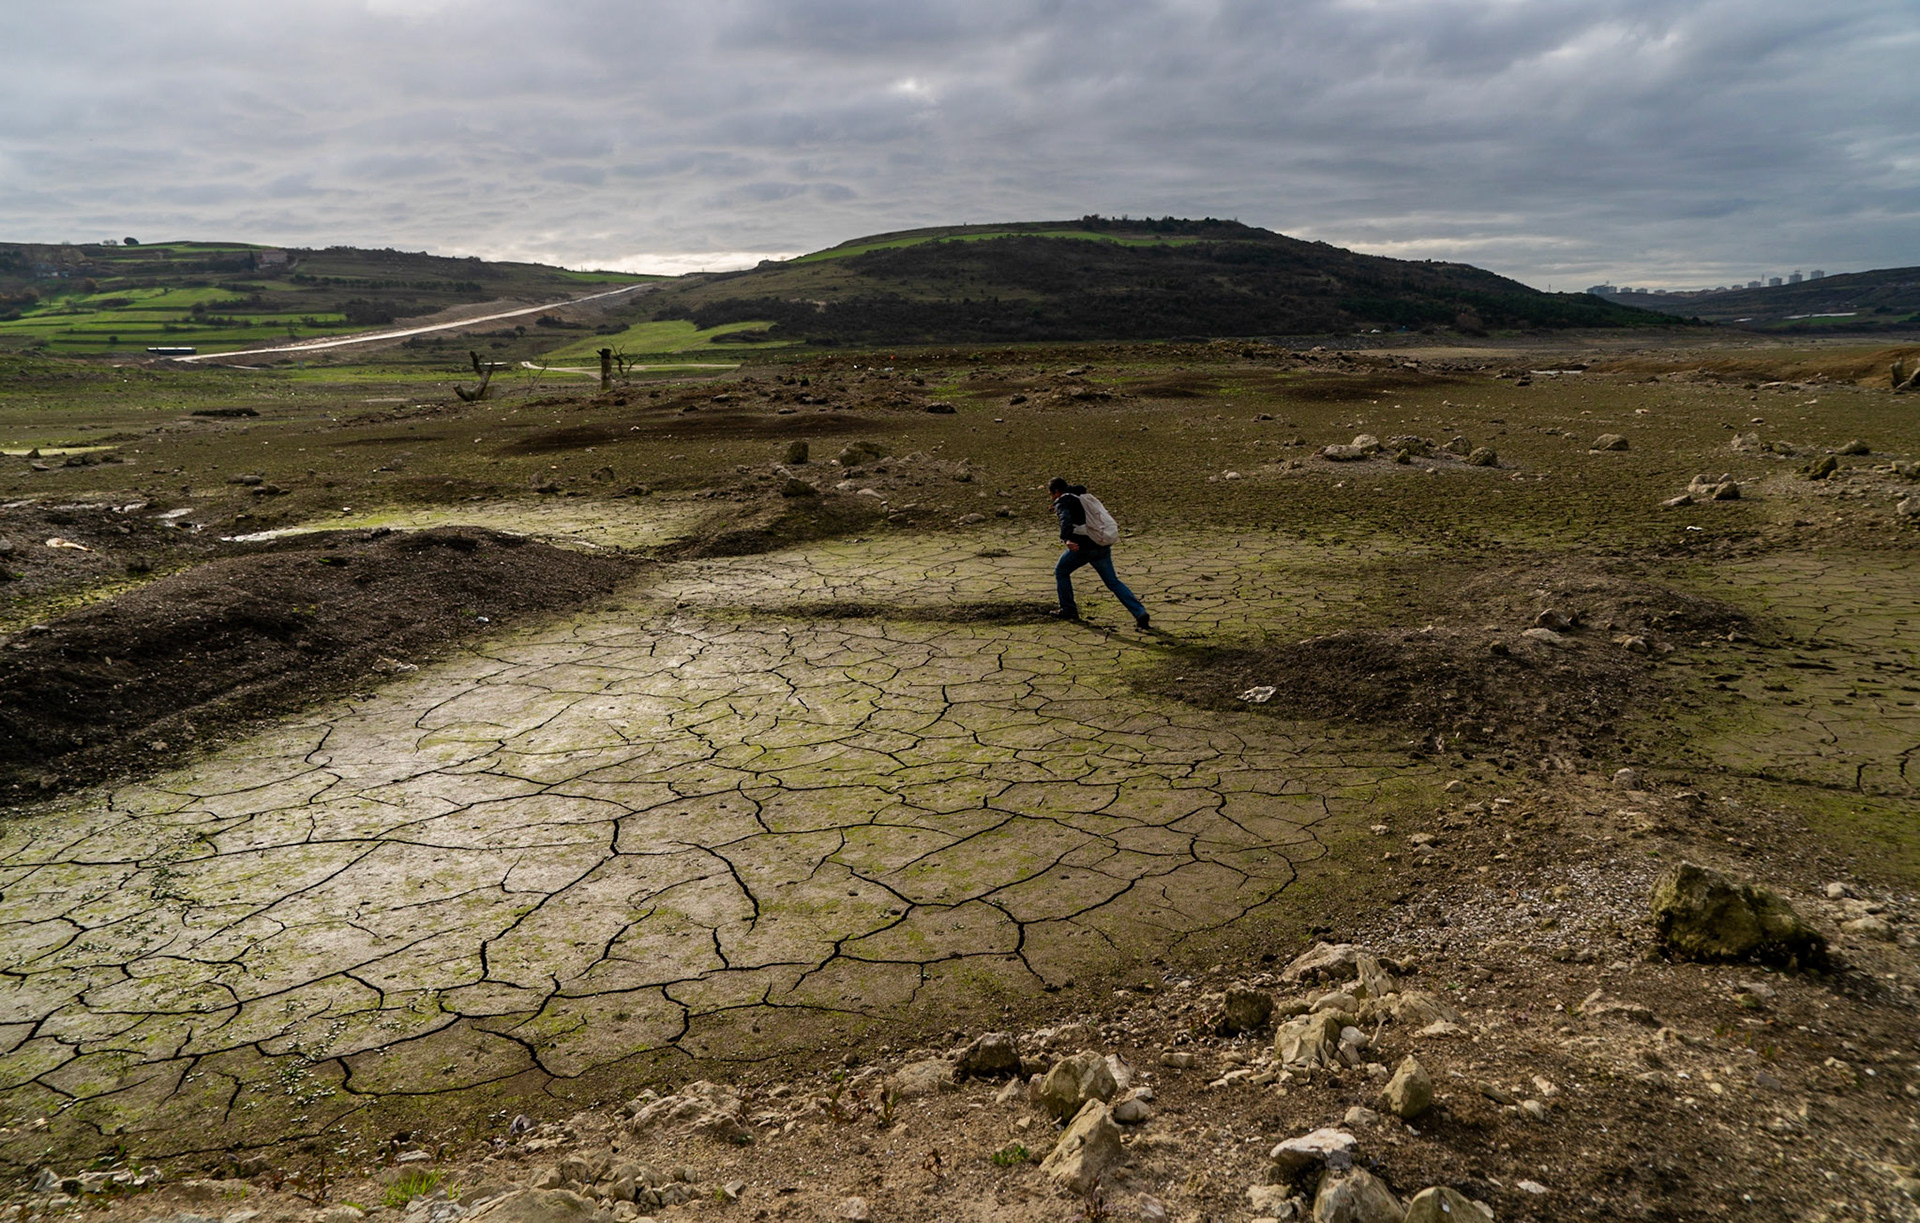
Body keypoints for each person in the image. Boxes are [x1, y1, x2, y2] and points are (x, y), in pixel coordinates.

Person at [1048, 477, 1149, 629]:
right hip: (1101, 545)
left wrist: (1067, 539)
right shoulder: (1080, 495)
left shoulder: (1063, 501)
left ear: (1056, 491)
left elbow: (1065, 519)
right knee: (1113, 582)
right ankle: (1139, 612)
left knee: (1061, 571)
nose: (1052, 497)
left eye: (1051, 494)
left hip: (1083, 548)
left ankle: (1068, 609)